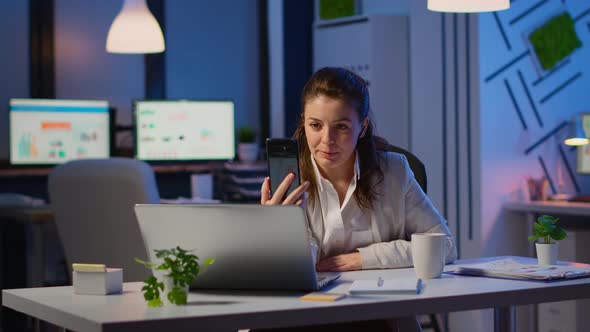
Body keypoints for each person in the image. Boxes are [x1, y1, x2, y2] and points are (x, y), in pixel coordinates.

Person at [260, 67, 457, 331]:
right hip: (302, 315)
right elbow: (295, 271)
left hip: (377, 315)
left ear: (362, 126)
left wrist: (363, 259)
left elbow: (445, 245)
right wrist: (277, 228)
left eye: (341, 126)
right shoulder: (289, 177)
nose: (327, 140)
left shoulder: (394, 171)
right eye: (315, 125)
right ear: (304, 123)